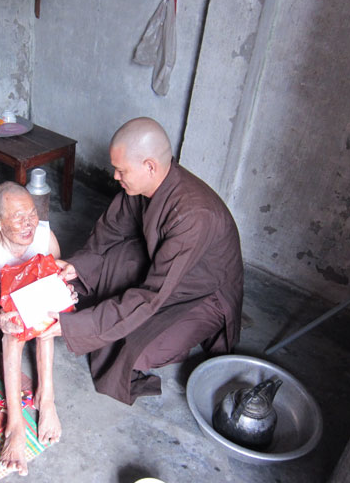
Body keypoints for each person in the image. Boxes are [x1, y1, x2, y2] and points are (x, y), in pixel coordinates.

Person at [42, 117, 244, 405]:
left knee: (134, 351)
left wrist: (74, 328)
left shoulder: (194, 215)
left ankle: (178, 337)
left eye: (121, 170)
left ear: (150, 166)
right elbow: (110, 231)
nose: (115, 176)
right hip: (163, 268)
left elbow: (152, 295)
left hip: (200, 293)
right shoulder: (141, 187)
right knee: (93, 272)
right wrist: (79, 265)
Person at [0, 181, 69, 476]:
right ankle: (14, 424)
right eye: (18, 217)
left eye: (32, 214)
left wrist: (64, 288)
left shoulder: (44, 235)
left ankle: (46, 398)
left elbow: (56, 278)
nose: (29, 224)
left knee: (47, 320)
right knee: (13, 332)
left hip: (34, 300)